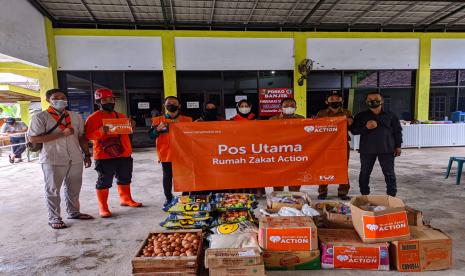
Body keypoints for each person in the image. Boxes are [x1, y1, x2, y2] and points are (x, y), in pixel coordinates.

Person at [28, 89, 93, 229]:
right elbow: (33, 138)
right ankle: (54, 218)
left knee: (74, 188)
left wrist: (86, 155)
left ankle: (74, 212)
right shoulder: (40, 117)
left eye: (63, 97)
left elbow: (82, 137)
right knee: (53, 190)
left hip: (75, 157)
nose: (60, 100)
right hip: (53, 159)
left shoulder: (75, 116)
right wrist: (61, 134)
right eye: (55, 97)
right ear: (48, 100)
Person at [85, 88, 142, 218]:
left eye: (111, 99)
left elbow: (127, 132)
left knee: (125, 177)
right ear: (99, 102)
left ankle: (126, 199)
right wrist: (101, 131)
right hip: (104, 156)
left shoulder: (121, 116)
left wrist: (132, 125)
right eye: (105, 100)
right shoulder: (93, 118)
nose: (108, 102)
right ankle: (103, 207)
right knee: (104, 181)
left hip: (124, 153)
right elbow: (88, 136)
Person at [350, 91, 403, 197]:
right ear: (366, 102)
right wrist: (366, 128)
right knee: (365, 173)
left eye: (375, 99)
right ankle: (364, 194)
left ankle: (391, 195)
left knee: (389, 173)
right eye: (369, 100)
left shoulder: (391, 115)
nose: (372, 101)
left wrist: (398, 146)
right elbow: (354, 131)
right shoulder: (361, 116)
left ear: (382, 101)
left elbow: (397, 131)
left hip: (387, 149)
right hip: (367, 150)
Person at [151, 96, 193, 207]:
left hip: (184, 154)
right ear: (164, 106)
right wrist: (157, 130)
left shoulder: (188, 120)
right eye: (169, 103)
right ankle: (168, 198)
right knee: (167, 177)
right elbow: (150, 135)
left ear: (179, 106)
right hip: (166, 154)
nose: (171, 105)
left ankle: (185, 196)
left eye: (174, 103)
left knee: (185, 176)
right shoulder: (157, 120)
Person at [316, 91, 353, 200]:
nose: (335, 101)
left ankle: (343, 192)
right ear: (326, 101)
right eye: (332, 99)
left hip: (342, 145)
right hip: (325, 146)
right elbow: (317, 128)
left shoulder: (347, 112)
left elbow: (352, 126)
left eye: (337, 99)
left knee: (343, 168)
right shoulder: (321, 113)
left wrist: (350, 121)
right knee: (324, 168)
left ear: (342, 100)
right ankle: (322, 191)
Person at [269, 98, 305, 192]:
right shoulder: (273, 120)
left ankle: (294, 195)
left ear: (296, 107)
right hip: (278, 153)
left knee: (295, 176)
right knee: (278, 177)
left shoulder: (302, 119)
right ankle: (277, 196)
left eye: (292, 106)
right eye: (286, 106)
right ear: (281, 107)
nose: (289, 107)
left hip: (296, 153)